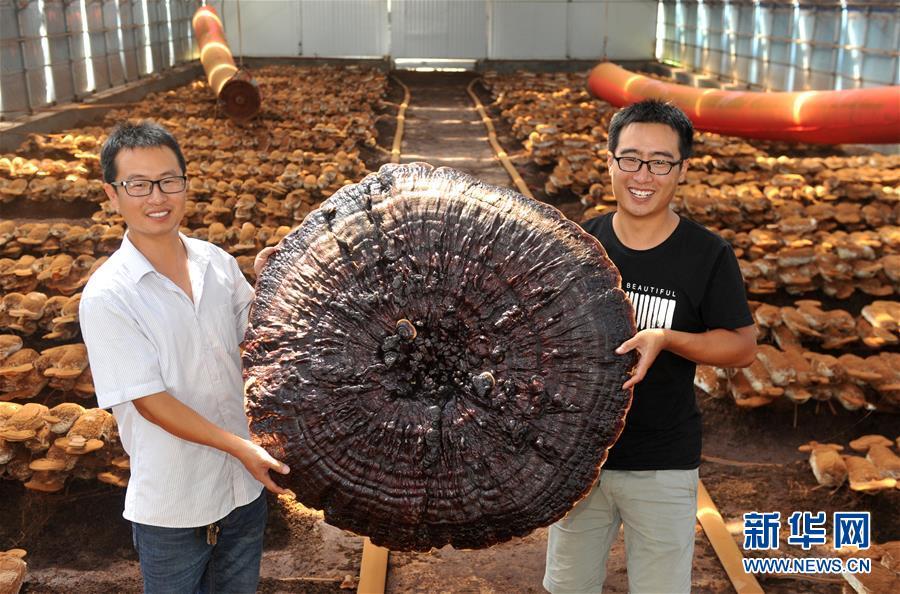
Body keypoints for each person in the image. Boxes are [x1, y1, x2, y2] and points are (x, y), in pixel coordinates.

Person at [543, 99, 757, 593]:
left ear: (682, 169)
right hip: (578, 457)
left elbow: (742, 346)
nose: (643, 175)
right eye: (631, 158)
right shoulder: (578, 244)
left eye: (660, 162)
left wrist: (667, 338)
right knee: (568, 586)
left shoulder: (707, 254)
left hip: (663, 461)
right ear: (610, 161)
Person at [79, 121, 289, 594]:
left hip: (242, 491)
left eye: (169, 181)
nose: (157, 197)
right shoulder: (108, 295)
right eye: (138, 185)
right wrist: (241, 448)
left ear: (185, 184)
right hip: (175, 506)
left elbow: (259, 336)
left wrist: (273, 283)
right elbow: (150, 402)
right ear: (112, 194)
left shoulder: (216, 263)